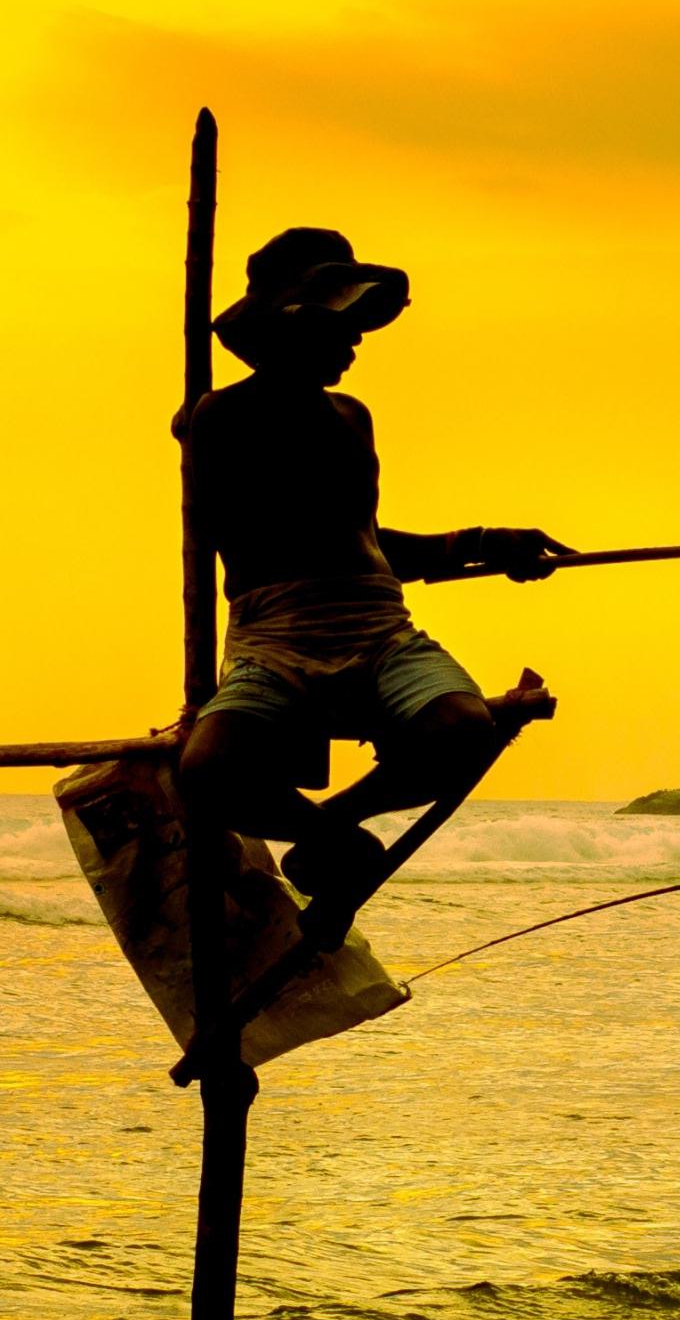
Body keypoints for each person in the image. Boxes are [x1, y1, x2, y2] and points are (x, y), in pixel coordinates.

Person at [171, 226, 572, 911]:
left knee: (464, 729)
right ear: (291, 325)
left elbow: (362, 541)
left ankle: (332, 827)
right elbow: (249, 538)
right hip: (276, 637)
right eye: (340, 327)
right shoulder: (219, 419)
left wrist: (480, 542)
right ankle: (323, 834)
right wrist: (204, 431)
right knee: (208, 770)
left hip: (379, 626)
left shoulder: (353, 416)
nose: (354, 345)